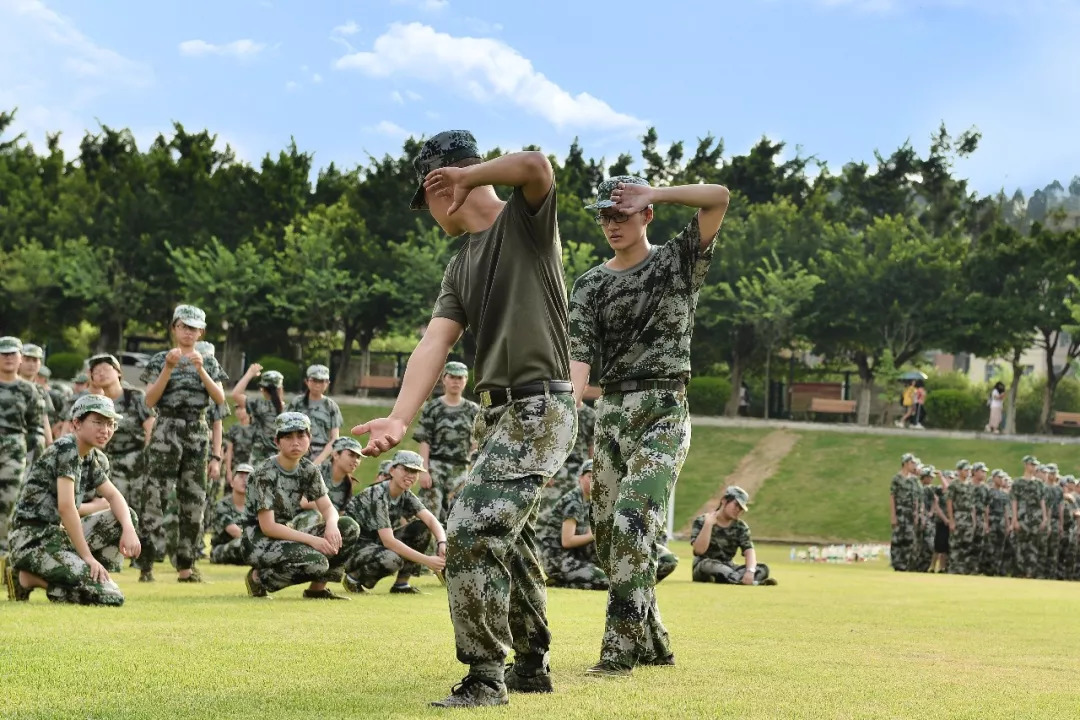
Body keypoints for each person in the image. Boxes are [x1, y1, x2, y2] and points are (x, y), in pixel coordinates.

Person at [351, 131, 576, 707]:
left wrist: (470, 177)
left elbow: (535, 164)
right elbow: (433, 343)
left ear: (440, 184)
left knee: (473, 529)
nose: (428, 216)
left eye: (424, 199)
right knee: (512, 537)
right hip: (497, 414)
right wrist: (400, 419)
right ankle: (530, 661)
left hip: (540, 407)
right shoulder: (461, 265)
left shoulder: (523, 225)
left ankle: (484, 675)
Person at [568, 174, 729, 677]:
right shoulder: (590, 285)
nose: (612, 224)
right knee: (611, 540)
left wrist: (653, 191)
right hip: (610, 415)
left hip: (663, 410)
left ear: (645, 216)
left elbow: (719, 198)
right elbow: (577, 370)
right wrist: (562, 420)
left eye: (622, 213)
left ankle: (617, 654)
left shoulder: (676, 260)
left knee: (634, 523)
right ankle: (655, 641)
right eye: (605, 216)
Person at [2, 394, 141, 604]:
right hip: (33, 539)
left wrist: (129, 529)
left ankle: (87, 578)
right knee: (108, 597)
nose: (105, 430)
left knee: (126, 516)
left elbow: (113, 496)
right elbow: (66, 507)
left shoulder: (89, 456)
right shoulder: (67, 448)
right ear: (77, 423)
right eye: (98, 422)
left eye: (110, 424)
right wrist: (87, 557)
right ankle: (27, 577)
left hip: (58, 536)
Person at [137, 304, 228, 583]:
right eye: (184, 326)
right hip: (166, 428)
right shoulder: (160, 359)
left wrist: (201, 370)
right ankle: (146, 565)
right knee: (156, 496)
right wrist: (168, 367)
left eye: (194, 328)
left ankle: (187, 567)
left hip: (196, 431)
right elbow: (149, 401)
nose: (189, 332)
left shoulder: (209, 361)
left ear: (202, 332)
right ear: (175, 328)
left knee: (194, 498)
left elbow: (220, 399)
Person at [242, 412, 360, 600]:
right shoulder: (264, 473)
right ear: (277, 441)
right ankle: (259, 578)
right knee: (317, 563)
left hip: (287, 534)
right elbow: (268, 526)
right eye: (288, 437)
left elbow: (329, 508)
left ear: (309, 438)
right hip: (258, 540)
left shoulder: (308, 470)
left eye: (300, 435)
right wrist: (313, 540)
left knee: (347, 527)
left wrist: (331, 525)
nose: (295, 442)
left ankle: (317, 589)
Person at [341, 450, 447, 595]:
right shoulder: (377, 494)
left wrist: (442, 542)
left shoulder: (405, 494)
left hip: (375, 544)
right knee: (392, 559)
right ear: (392, 470)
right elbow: (389, 541)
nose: (411, 475)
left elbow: (430, 519)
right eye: (406, 469)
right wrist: (427, 561)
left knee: (421, 528)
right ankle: (353, 579)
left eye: (415, 471)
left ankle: (401, 585)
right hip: (352, 550)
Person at [413, 361, 480, 522]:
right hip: (436, 469)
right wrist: (424, 471)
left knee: (458, 518)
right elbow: (424, 440)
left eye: (460, 378)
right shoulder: (433, 407)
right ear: (444, 379)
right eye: (452, 377)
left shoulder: (473, 410)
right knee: (429, 517)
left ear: (465, 381)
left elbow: (479, 441)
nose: (456, 381)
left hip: (461, 470)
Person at [0, 336, 48, 554]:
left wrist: (36, 461)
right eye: (4, 354)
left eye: (12, 354)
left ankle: (3, 553)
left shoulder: (29, 390)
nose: (8, 358)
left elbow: (36, 428)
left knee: (9, 503)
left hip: (13, 451)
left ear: (20, 358)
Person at [86, 353, 155, 502]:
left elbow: (150, 426)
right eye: (96, 372)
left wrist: (149, 457)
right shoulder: (95, 404)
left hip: (136, 462)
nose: (101, 374)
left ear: (118, 372)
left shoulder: (135, 396)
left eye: (105, 369)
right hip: (107, 464)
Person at [536, 459, 607, 590]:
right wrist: (593, 535)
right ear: (580, 478)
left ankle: (561, 583)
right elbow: (567, 541)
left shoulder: (592, 500)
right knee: (604, 580)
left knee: (609, 576)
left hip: (574, 555)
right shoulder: (573, 502)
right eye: (590, 477)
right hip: (557, 559)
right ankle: (559, 580)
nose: (593, 481)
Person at [689, 486, 776, 585]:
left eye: (741, 508)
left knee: (763, 568)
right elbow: (699, 550)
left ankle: (737, 579)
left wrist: (750, 571)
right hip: (705, 567)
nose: (738, 510)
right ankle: (751, 582)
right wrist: (708, 525)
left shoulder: (740, 527)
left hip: (728, 567)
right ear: (724, 501)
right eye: (736, 505)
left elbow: (749, 551)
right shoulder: (702, 521)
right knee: (708, 565)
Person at [291, 436, 363, 534]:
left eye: (358, 457)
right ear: (336, 454)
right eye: (351, 455)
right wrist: (329, 512)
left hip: (327, 524)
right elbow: (303, 502)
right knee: (315, 515)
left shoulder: (347, 484)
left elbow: (341, 514)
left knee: (350, 525)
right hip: (298, 519)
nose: (356, 461)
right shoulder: (317, 472)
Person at [286, 364, 343, 465]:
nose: (317, 385)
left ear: (328, 383)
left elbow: (335, 438)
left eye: (321, 381)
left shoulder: (330, 406)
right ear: (307, 381)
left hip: (323, 457)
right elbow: (285, 429)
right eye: (314, 380)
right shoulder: (297, 403)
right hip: (297, 453)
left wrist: (318, 461)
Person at [230, 364, 283, 466]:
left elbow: (235, 394)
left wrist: (249, 374)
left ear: (262, 389)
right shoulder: (290, 410)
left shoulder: (259, 406)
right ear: (280, 388)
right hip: (281, 458)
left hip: (259, 457)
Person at [1010, 455, 1046, 579]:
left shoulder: (1039, 483)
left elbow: (1042, 501)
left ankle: (1030, 572)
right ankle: (1020, 572)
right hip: (1022, 517)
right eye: (1032, 464)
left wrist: (1044, 518)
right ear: (1026, 465)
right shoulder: (1018, 482)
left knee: (1033, 546)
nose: (1034, 467)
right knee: (1020, 545)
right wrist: (1014, 519)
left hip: (1035, 518)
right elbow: (1014, 501)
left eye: (1035, 465)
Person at [209, 462, 253, 565]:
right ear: (232, 482)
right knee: (241, 544)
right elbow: (235, 532)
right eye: (241, 477)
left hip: (251, 544)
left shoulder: (257, 506)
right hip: (223, 548)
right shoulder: (221, 505)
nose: (245, 480)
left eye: (249, 477)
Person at [17, 343, 54, 463]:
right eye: (27, 359)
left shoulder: (41, 390)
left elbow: (44, 418)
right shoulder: (8, 386)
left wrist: (50, 444)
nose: (31, 364)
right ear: (20, 360)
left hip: (35, 446)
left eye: (35, 360)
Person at [889, 453, 921, 571]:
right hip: (900, 512)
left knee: (909, 539)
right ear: (906, 463)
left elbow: (916, 498)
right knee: (898, 539)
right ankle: (897, 564)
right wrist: (893, 516)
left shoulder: (914, 480)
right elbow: (892, 497)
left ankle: (906, 564)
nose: (914, 465)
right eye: (912, 463)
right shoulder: (897, 479)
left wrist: (916, 513)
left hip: (910, 514)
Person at [224, 404, 256, 481]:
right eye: (237, 409)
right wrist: (228, 471)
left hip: (252, 468)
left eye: (241, 408)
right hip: (236, 468)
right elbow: (229, 451)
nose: (238, 411)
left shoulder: (256, 429)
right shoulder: (233, 428)